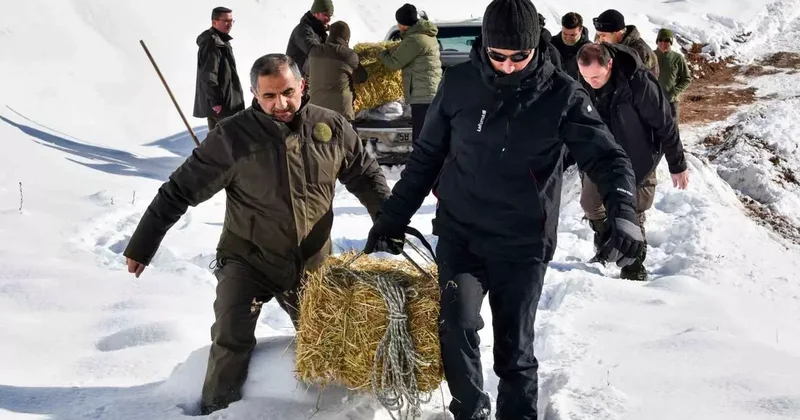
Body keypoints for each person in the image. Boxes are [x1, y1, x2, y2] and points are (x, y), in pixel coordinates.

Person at [362, 0, 644, 418]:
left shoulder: (561, 93)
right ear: (484, 47)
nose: (508, 66)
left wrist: (623, 208)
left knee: (515, 349)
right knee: (455, 325)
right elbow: (425, 159)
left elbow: (608, 157)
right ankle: (471, 410)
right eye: (498, 56)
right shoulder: (458, 84)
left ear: (535, 47)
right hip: (464, 233)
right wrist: (391, 220)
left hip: (524, 239)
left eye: (519, 57)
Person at [123, 54, 391, 415]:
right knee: (231, 338)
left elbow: (367, 176)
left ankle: (336, 410)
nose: (280, 104)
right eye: (268, 96)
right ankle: (219, 410)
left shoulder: (330, 128)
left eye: (287, 92)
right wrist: (143, 244)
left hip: (312, 262)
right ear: (254, 93)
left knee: (331, 342)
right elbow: (180, 190)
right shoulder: (233, 137)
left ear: (303, 86)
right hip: (249, 259)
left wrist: (388, 222)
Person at [577, 42, 689, 280]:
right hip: (601, 158)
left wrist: (677, 164)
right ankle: (607, 240)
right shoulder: (584, 83)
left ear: (610, 64)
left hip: (638, 159)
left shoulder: (639, 83)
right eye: (586, 77)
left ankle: (634, 265)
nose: (591, 82)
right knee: (590, 204)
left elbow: (665, 123)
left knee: (634, 213)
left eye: (596, 76)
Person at [378, 3, 442, 142]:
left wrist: (382, 53)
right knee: (429, 137)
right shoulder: (428, 36)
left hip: (422, 96)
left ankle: (421, 163)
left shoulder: (415, 40)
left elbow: (393, 63)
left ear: (404, 24)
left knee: (420, 138)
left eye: (399, 22)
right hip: (431, 93)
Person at [192, 6, 245, 130]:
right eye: (226, 21)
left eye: (231, 20)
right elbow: (208, 75)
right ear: (214, 22)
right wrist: (215, 101)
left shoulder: (221, 41)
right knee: (222, 141)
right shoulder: (212, 44)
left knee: (225, 141)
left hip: (227, 102)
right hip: (221, 105)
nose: (230, 24)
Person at [306, 20, 368, 122]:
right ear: (346, 39)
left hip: (315, 111)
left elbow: (307, 73)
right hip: (340, 115)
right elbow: (361, 78)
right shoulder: (349, 55)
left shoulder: (314, 52)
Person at [592, 9, 659, 77]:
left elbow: (650, 85)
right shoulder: (603, 43)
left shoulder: (642, 53)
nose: (600, 39)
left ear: (618, 34)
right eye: (598, 35)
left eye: (603, 35)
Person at [286, 0, 333, 79]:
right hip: (296, 81)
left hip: (309, 81)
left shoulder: (320, 32)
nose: (329, 19)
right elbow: (315, 51)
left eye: (330, 16)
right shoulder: (303, 30)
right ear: (315, 13)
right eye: (326, 15)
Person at [655, 28, 692, 123]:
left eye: (667, 40)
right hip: (653, 102)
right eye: (660, 40)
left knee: (673, 130)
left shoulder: (678, 58)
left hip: (671, 102)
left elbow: (687, 79)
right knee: (654, 130)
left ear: (671, 42)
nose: (663, 43)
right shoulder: (651, 56)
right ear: (657, 41)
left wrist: (675, 91)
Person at [551, 12, 591, 80]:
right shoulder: (551, 45)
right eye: (565, 34)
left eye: (573, 35)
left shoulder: (590, 51)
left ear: (580, 30)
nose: (568, 38)